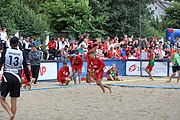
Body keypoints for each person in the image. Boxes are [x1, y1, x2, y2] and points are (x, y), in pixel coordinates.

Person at [0, 36, 31, 120]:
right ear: (18, 43)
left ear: (10, 43)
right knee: (14, 100)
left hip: (7, 76)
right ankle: (12, 118)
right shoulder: (22, 53)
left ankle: (10, 113)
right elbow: (25, 67)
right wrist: (29, 80)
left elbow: (0, 63)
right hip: (17, 77)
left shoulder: (6, 51)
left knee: (1, 98)